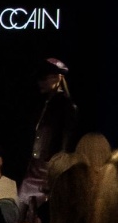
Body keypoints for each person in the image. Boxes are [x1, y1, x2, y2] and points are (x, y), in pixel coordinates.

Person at [18, 57, 80, 205]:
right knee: (22, 202)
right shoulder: (41, 103)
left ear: (57, 78)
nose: (40, 83)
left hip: (48, 170)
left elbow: (66, 141)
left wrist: (57, 167)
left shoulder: (66, 107)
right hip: (33, 166)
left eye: (44, 78)